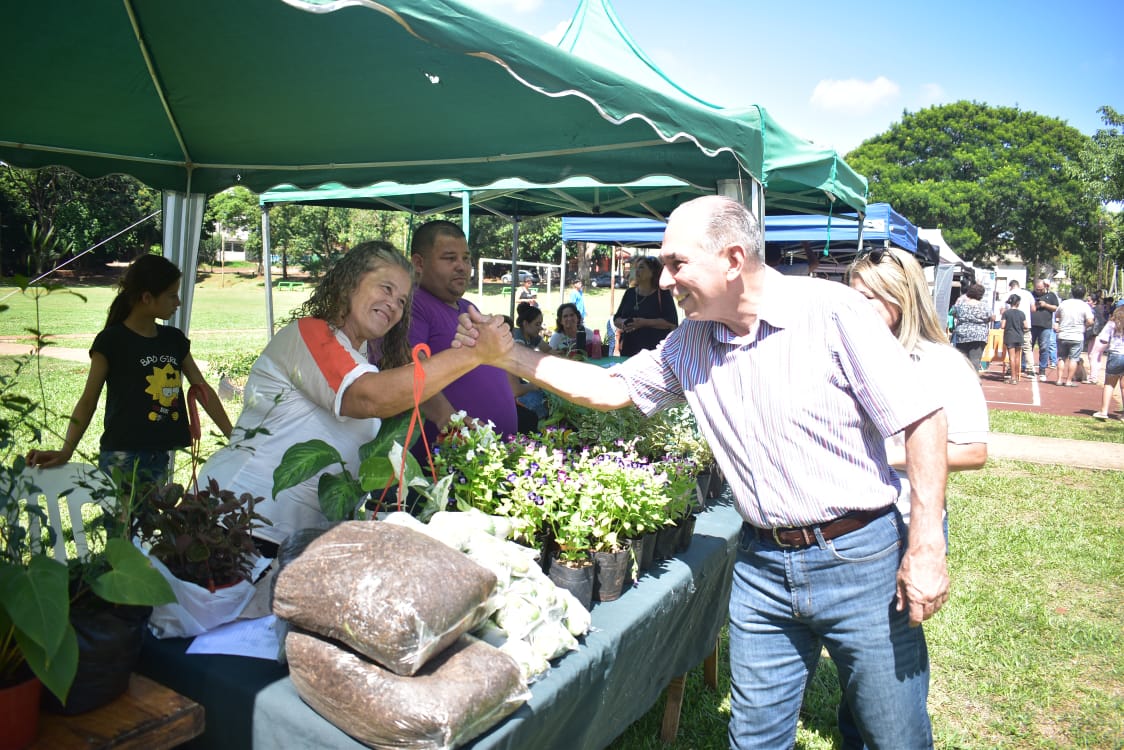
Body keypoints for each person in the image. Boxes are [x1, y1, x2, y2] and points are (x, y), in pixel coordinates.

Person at [458, 195, 950, 749]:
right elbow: (613, 387)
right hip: (763, 564)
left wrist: (927, 544)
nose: (665, 280)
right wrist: (508, 358)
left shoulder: (833, 311)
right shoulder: (693, 339)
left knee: (895, 734)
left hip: (861, 558)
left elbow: (922, 416)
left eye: (677, 263)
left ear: (734, 259)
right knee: (754, 739)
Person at [199, 241, 512, 546]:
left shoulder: (361, 355)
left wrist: (449, 419)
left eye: (403, 300)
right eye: (385, 288)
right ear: (350, 284)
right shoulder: (313, 334)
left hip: (291, 535)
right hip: (237, 522)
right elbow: (369, 397)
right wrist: (473, 355)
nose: (394, 304)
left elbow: (402, 389)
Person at [26, 255, 232, 486]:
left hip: (159, 456)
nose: (178, 302)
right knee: (123, 522)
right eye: (172, 295)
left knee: (149, 521)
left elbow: (202, 390)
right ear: (147, 298)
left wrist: (234, 438)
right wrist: (66, 450)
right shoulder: (111, 341)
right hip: (121, 458)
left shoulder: (173, 340)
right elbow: (88, 401)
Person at [406, 220, 517, 447]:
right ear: (419, 263)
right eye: (449, 258)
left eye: (466, 258)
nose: (461, 266)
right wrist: (448, 420)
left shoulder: (468, 307)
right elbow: (409, 370)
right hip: (448, 459)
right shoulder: (413, 305)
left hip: (491, 454)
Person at [612, 255, 678, 356]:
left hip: (655, 353)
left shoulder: (663, 294)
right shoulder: (629, 293)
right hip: (629, 351)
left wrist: (643, 322)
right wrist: (623, 323)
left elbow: (671, 322)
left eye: (641, 267)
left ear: (652, 272)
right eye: (636, 267)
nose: (637, 270)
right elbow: (616, 319)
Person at [509, 303, 549, 432]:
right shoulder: (518, 340)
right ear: (526, 324)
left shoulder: (532, 336)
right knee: (542, 401)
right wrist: (533, 385)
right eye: (537, 324)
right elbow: (516, 388)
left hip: (519, 386)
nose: (540, 328)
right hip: (515, 392)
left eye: (541, 324)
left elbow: (549, 351)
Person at [1054, 284, 1094, 387]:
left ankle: (1058, 379)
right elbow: (1090, 320)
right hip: (1077, 335)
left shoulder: (1064, 303)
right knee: (1074, 358)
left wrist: (1059, 323)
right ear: (1084, 294)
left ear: (1072, 293)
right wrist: (1084, 327)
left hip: (1063, 334)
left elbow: (1057, 315)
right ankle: (1068, 381)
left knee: (1061, 357)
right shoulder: (1085, 306)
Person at [1089, 301, 1124, 420]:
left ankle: (1104, 411)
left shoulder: (1112, 323)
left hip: (1115, 355)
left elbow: (1103, 339)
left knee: (1109, 384)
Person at [951, 282, 992, 374]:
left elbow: (953, 313)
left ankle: (963, 381)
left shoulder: (961, 305)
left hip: (963, 335)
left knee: (963, 360)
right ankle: (975, 382)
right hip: (979, 335)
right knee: (975, 360)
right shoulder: (984, 306)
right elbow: (990, 317)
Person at [1031, 279, 1060, 380]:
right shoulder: (1031, 294)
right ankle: (1026, 367)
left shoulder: (1051, 295)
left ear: (1045, 287)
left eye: (1040, 289)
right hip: (1032, 325)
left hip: (1045, 326)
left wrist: (1045, 305)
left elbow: (1056, 308)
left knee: (1044, 347)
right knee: (1028, 346)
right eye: (1037, 289)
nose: (1038, 291)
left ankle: (1042, 369)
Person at [1007, 279, 1037, 377]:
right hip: (1025, 324)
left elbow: (1003, 309)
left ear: (1011, 286)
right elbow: (1033, 309)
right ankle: (1030, 369)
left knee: (1010, 347)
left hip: (1011, 325)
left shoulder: (1009, 294)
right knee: (1027, 347)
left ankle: (1010, 368)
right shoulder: (1028, 294)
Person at [1001, 294, 1029, 384]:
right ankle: (1016, 376)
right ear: (1018, 303)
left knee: (1011, 357)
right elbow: (1026, 326)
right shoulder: (1021, 313)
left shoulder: (1006, 313)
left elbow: (1002, 325)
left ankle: (1012, 377)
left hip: (1009, 336)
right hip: (1019, 336)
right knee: (1018, 357)